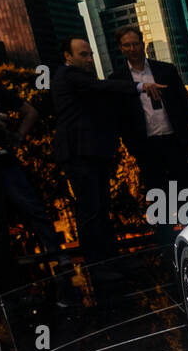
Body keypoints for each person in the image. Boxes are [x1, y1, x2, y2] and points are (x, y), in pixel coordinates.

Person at [52, 36, 141, 264]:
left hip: (90, 153)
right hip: (79, 154)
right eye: (83, 54)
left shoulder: (77, 78)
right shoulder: (69, 76)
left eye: (90, 54)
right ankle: (98, 264)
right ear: (68, 56)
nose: (90, 58)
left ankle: (108, 260)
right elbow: (101, 87)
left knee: (99, 208)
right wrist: (139, 86)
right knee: (91, 210)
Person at [110, 26, 188, 243]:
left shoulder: (166, 70)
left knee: (185, 193)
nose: (133, 48)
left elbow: (185, 104)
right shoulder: (118, 79)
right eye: (127, 45)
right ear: (120, 48)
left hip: (175, 141)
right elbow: (121, 119)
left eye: (136, 43)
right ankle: (167, 247)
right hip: (147, 147)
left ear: (143, 44)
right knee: (158, 199)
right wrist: (134, 148)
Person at [0, 80, 70, 294]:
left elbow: (31, 112)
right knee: (1, 223)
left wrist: (17, 136)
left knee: (32, 209)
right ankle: (9, 282)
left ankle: (58, 256)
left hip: (6, 163)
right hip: (5, 164)